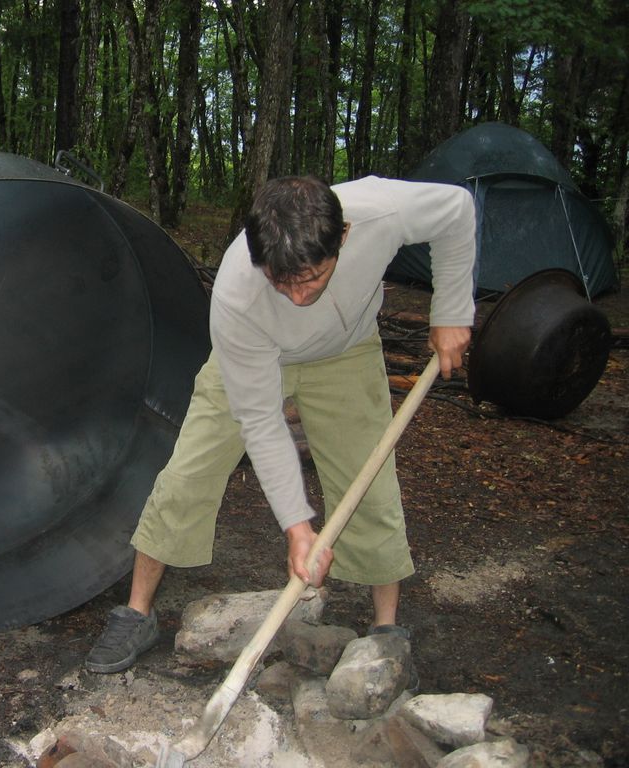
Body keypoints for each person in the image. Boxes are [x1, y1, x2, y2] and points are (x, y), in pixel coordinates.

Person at [84, 175, 477, 674]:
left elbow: (457, 209)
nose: (296, 296)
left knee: (369, 483)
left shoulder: (381, 211)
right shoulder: (237, 293)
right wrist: (298, 527)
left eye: (310, 278)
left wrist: (451, 311)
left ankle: (385, 628)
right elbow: (262, 423)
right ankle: (137, 613)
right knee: (187, 475)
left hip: (346, 353)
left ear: (344, 236)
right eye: (280, 281)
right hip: (255, 353)